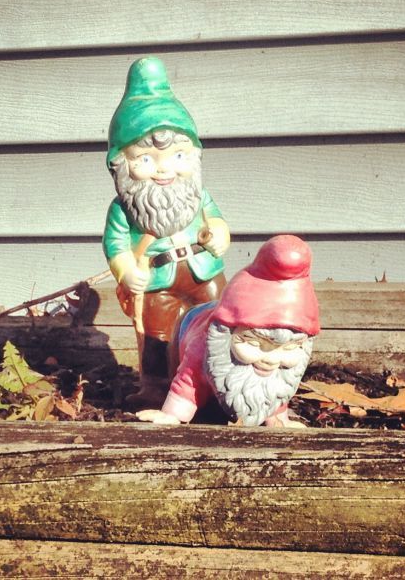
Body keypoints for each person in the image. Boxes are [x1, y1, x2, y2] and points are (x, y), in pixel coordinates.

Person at [103, 57, 230, 408]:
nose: (164, 170)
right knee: (157, 336)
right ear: (120, 163)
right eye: (145, 160)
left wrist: (219, 234)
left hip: (205, 273)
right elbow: (115, 245)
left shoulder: (198, 196)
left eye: (178, 156)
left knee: (218, 322)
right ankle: (156, 389)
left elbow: (216, 220)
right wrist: (126, 271)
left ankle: (213, 382)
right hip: (157, 281)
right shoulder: (123, 209)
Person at [136, 235, 320, 427]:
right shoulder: (201, 347)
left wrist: (278, 419)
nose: (271, 359)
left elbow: (277, 386)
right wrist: (172, 415)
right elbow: (188, 381)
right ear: (228, 332)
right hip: (190, 324)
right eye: (255, 343)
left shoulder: (280, 365)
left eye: (289, 348)